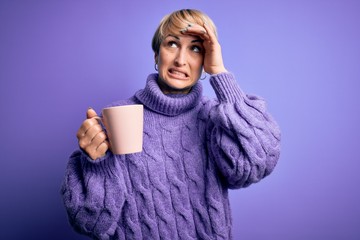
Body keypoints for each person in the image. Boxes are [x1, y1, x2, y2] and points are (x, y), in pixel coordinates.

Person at [61, 9, 281, 240]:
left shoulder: (216, 118)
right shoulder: (115, 117)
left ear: (205, 59)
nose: (181, 60)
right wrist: (95, 164)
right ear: (156, 55)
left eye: (196, 48)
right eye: (172, 44)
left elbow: (256, 166)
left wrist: (220, 74)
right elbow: (89, 223)